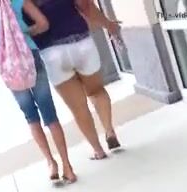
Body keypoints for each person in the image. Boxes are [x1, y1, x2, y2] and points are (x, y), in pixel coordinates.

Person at [0, 0, 76, 184]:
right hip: (30, 56)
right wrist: (23, 33)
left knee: (31, 117)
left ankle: (51, 163)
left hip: (10, 65)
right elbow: (43, 24)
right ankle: (68, 167)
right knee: (50, 114)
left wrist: (4, 45)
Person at [32, 0, 121, 159]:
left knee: (78, 108)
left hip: (51, 52)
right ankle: (109, 131)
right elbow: (86, 6)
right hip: (81, 43)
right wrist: (109, 25)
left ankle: (98, 150)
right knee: (97, 91)